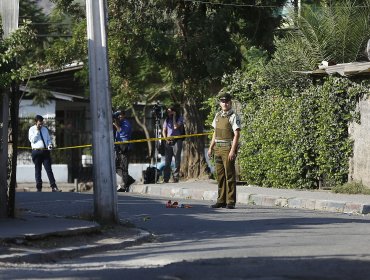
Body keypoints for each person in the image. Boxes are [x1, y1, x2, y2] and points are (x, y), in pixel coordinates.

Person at [208, 90, 241, 209]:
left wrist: (233, 150)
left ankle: (230, 201)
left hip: (227, 148)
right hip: (218, 147)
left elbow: (237, 134)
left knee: (230, 175)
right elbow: (214, 133)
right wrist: (211, 147)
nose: (225, 104)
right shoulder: (217, 115)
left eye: (226, 101)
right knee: (220, 176)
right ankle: (221, 200)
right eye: (222, 102)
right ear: (220, 103)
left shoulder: (233, 116)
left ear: (230, 102)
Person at [28, 114, 61, 192]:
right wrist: (37, 131)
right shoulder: (31, 129)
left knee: (49, 169)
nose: (41, 125)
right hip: (36, 151)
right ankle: (39, 188)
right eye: (39, 123)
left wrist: (49, 145)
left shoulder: (45, 129)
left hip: (45, 151)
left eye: (42, 123)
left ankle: (54, 187)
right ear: (36, 122)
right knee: (38, 170)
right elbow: (32, 140)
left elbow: (48, 139)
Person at [162, 104, 185, 183]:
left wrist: (174, 116)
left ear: (174, 111)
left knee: (176, 160)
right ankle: (166, 178)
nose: (169, 113)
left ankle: (175, 177)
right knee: (167, 161)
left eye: (170, 111)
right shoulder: (167, 119)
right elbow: (164, 130)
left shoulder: (180, 118)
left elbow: (175, 126)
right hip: (169, 141)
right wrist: (165, 139)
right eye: (168, 112)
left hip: (177, 140)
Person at [113, 110, 134, 192]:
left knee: (124, 166)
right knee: (117, 166)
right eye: (118, 116)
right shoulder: (120, 123)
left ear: (124, 116)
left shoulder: (126, 124)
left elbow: (121, 131)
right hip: (118, 145)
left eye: (120, 116)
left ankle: (124, 185)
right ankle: (128, 180)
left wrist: (115, 124)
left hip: (124, 146)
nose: (119, 117)